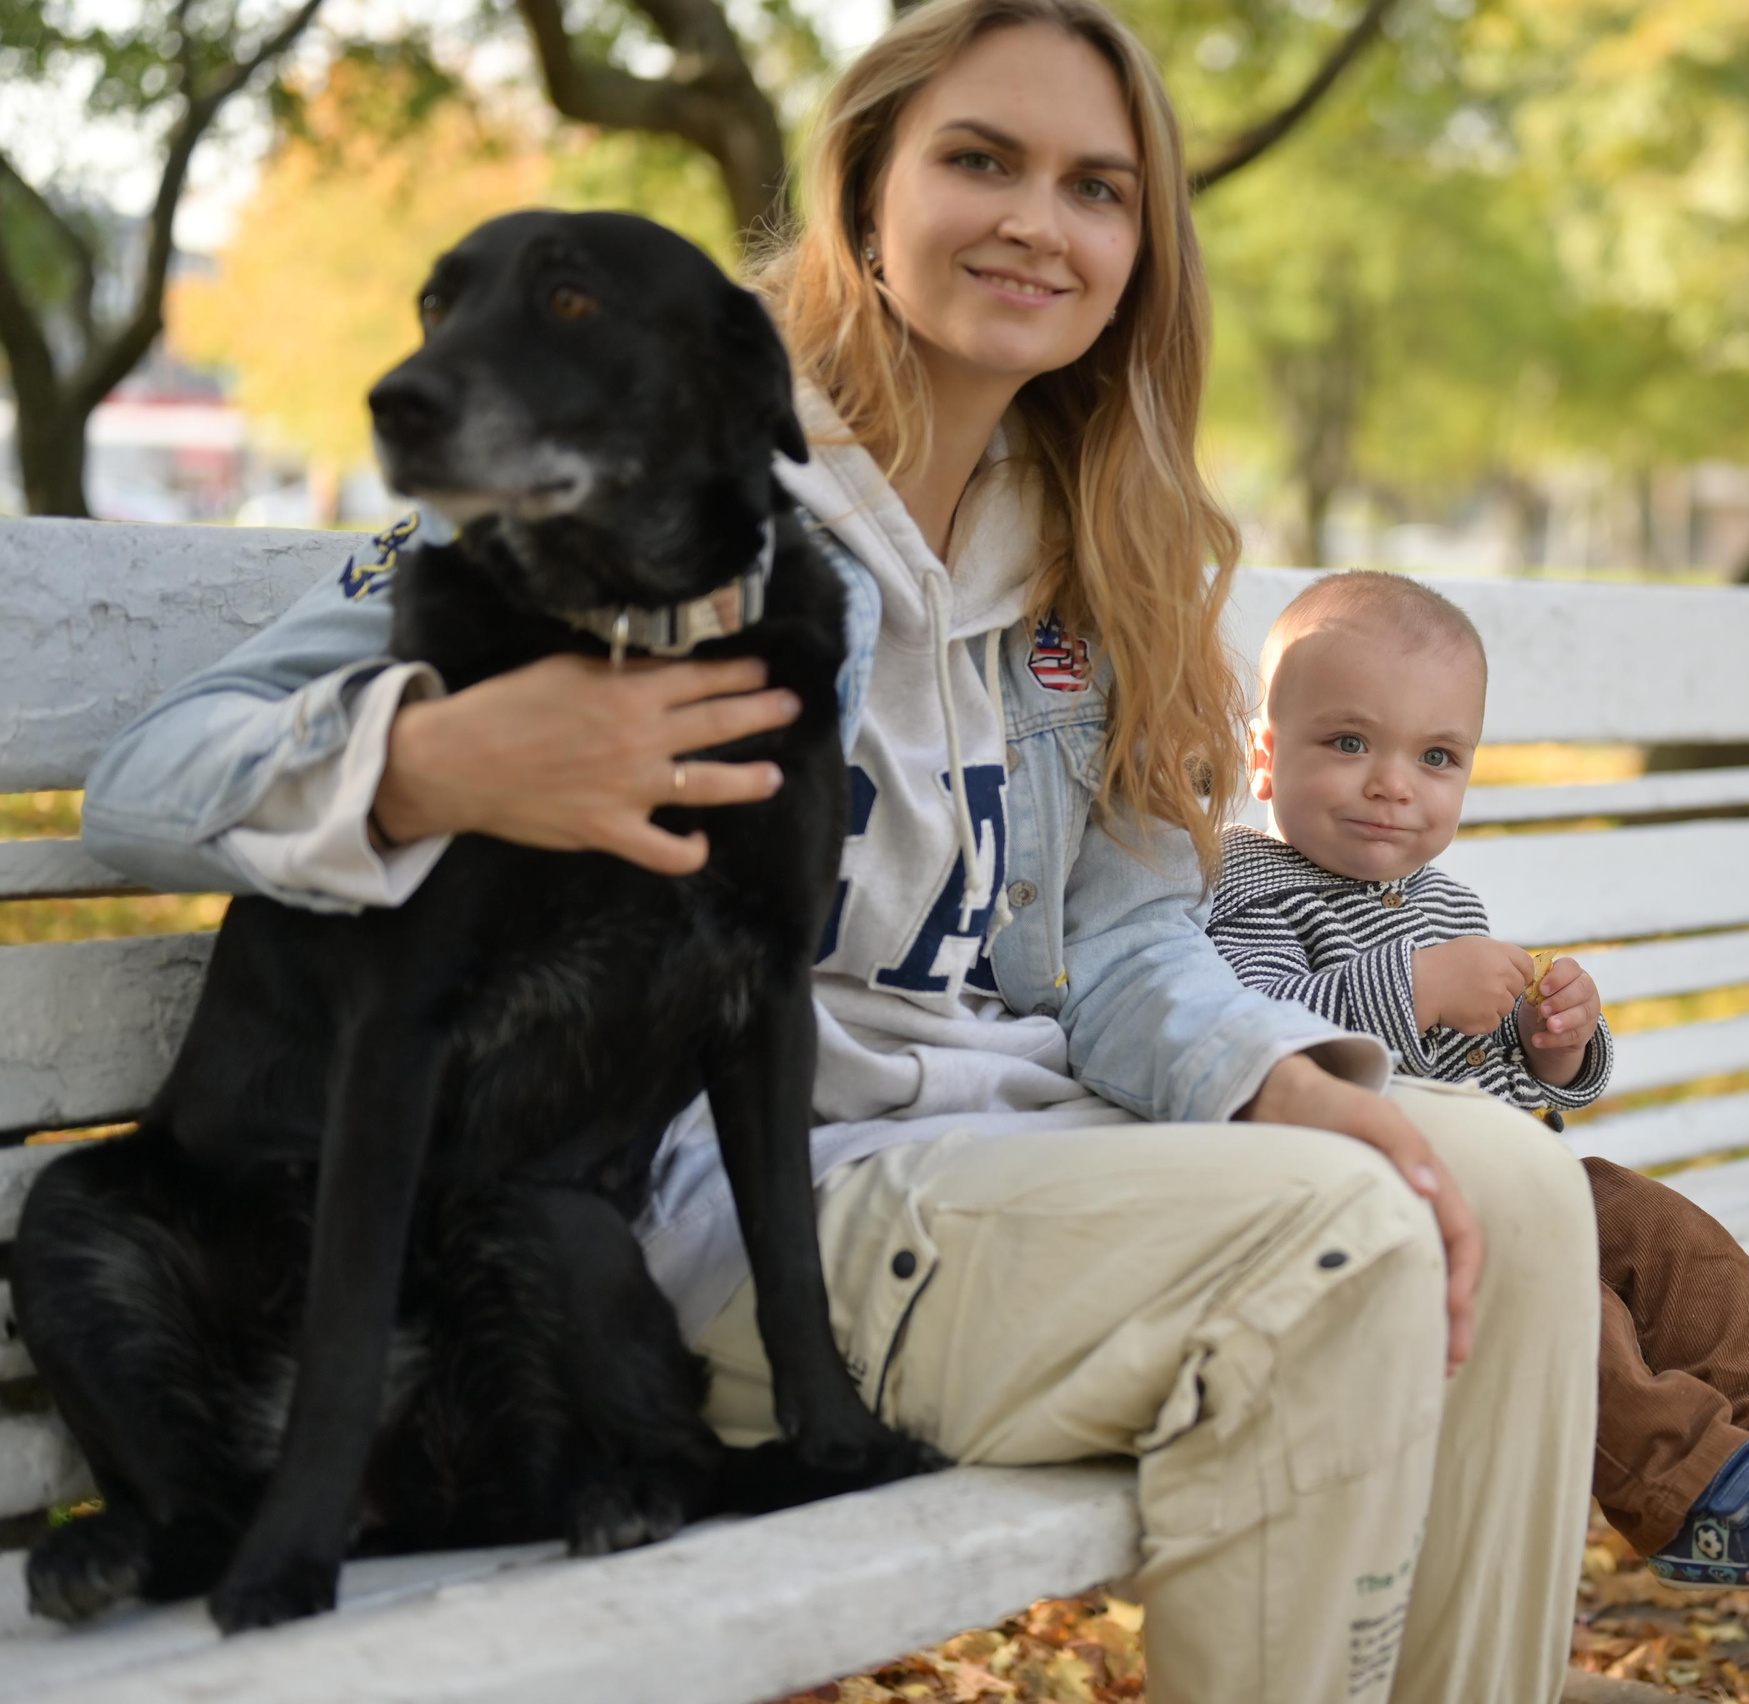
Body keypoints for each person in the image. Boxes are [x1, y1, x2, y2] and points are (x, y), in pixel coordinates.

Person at [76, 3, 1599, 1698]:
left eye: (1096, 187)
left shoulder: (1104, 546)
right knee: (1330, 1248)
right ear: (867, 191)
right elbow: (150, 771)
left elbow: (1131, 945)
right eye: (979, 159)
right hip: (734, 1210)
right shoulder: (650, 470)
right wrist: (427, 760)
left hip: (1028, 1150)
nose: (1038, 217)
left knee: (1504, 1181)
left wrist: (1283, 1073)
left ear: (1139, 253)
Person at [1208, 571, 1749, 1602]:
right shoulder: (1241, 886)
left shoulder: (1443, 897)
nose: (1394, 784)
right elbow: (1253, 1031)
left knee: (1679, 1242)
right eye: (1348, 743)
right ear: (1261, 754)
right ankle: (1695, 1492)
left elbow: (1509, 1073)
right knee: (1570, 1293)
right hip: (1385, 1199)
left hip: (1520, 1168)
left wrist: (1555, 1039)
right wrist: (1416, 986)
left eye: (1436, 757)